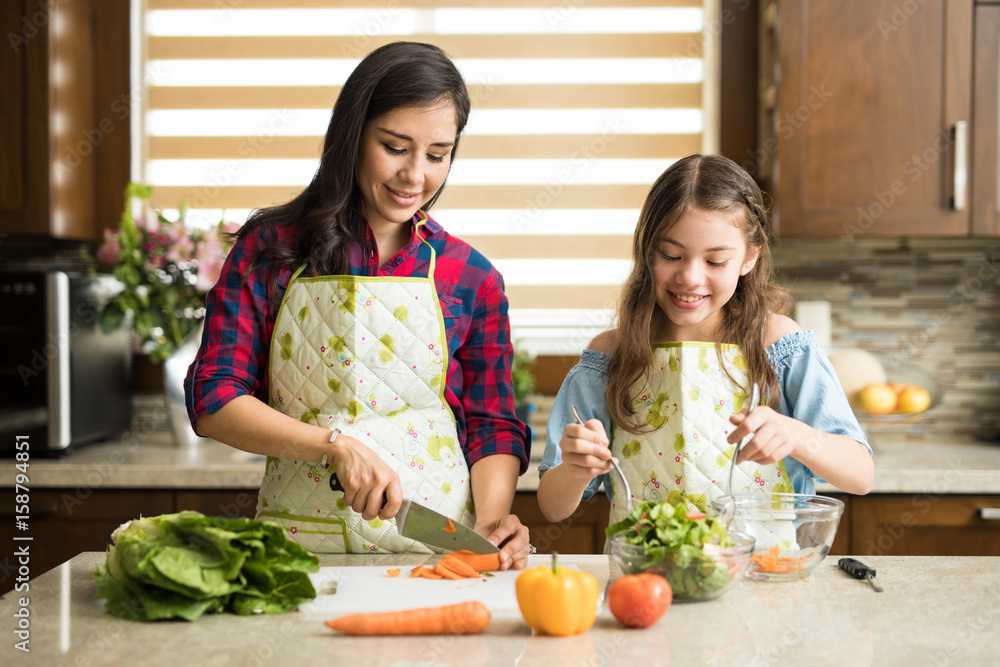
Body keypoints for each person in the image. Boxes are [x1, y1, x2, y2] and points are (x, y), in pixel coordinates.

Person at [185, 42, 533, 568]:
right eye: (395, 147)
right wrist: (333, 446)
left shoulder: (472, 277)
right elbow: (213, 399)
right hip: (300, 551)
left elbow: (492, 423)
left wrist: (490, 521)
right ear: (352, 136)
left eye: (437, 155)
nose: (416, 175)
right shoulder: (270, 250)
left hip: (437, 552)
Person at [537, 154, 873, 533]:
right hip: (648, 581)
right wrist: (576, 469)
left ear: (749, 257)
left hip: (765, 576)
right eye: (671, 255)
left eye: (715, 262)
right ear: (647, 249)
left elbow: (860, 475)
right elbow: (552, 507)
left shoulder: (779, 343)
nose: (690, 277)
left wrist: (797, 435)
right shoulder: (612, 354)